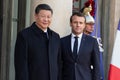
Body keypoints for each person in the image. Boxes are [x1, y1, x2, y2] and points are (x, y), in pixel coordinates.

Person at [14, 4, 61, 80]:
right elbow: (21, 66)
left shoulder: (55, 37)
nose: (46, 20)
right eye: (43, 16)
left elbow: (59, 63)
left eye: (48, 17)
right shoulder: (24, 36)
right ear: (36, 16)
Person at [61, 12, 100, 80]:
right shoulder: (62, 41)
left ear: (84, 25)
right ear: (70, 23)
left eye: (81, 23)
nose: (78, 25)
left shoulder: (92, 42)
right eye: (75, 22)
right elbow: (59, 64)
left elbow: (96, 66)